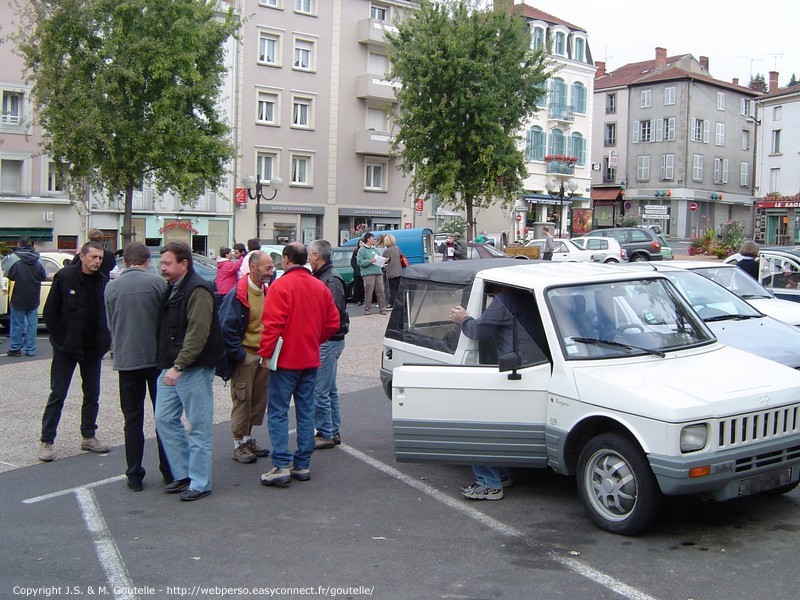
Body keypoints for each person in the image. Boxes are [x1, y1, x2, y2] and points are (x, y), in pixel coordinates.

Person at [449, 285, 545, 501]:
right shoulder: (530, 298)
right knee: (501, 423)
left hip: (515, 371)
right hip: (536, 369)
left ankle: (488, 483)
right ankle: (501, 475)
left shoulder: (504, 300)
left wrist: (463, 318)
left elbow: (478, 331)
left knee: (478, 426)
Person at [258, 242, 340, 486]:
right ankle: (302, 463)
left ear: (285, 259)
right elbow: (333, 322)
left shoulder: (280, 286)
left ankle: (281, 464)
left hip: (285, 360)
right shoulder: (319, 286)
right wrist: (315, 339)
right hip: (309, 357)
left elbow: (271, 325)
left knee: (278, 412)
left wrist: (266, 353)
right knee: (306, 411)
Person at [154, 241, 224, 502]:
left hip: (191, 368)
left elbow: (198, 333)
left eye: (167, 263)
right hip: (172, 366)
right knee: (163, 418)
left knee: (199, 427)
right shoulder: (173, 288)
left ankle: (200, 482)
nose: (163, 268)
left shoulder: (198, 290)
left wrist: (179, 365)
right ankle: (184, 473)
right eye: (162, 263)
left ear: (184, 264)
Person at [104, 242, 173, 492]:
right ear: (147, 261)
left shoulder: (111, 287)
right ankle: (168, 470)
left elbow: (111, 323)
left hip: (126, 359)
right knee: (163, 417)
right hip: (155, 359)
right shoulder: (157, 284)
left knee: (132, 419)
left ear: (125, 262)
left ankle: (134, 473)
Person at [38, 241, 112, 463]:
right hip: (66, 349)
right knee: (57, 394)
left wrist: (104, 341)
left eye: (100, 258)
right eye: (93, 257)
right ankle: (47, 441)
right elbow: (50, 312)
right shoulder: (65, 277)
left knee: (92, 394)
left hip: (92, 349)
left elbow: (103, 314)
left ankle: (88, 436)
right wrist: (60, 340)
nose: (97, 261)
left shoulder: (101, 281)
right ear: (82, 256)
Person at [218, 251, 275, 464]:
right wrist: (240, 355)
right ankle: (238, 443)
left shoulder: (264, 291)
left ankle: (248, 439)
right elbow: (226, 328)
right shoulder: (237, 294)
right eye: (267, 268)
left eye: (271, 267)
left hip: (261, 356)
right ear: (253, 268)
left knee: (257, 401)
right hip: (246, 357)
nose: (271, 271)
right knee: (242, 401)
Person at [308, 240, 350, 450]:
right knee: (328, 388)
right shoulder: (327, 277)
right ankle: (332, 430)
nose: (308, 257)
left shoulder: (330, 279)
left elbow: (333, 314)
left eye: (310, 254)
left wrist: (319, 333)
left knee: (320, 390)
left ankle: (325, 432)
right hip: (331, 340)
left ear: (317, 256)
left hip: (329, 340)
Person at [6, 235, 47, 357]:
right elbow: (44, 275)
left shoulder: (14, 258)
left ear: (19, 244)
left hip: (18, 294)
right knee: (32, 324)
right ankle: (31, 349)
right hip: (34, 295)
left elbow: (8, 273)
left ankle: (15, 348)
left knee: (17, 323)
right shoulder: (38, 258)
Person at [357, 232, 387, 315]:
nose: (374, 240)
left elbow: (378, 259)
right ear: (368, 239)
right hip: (368, 274)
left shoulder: (375, 250)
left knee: (381, 291)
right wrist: (370, 261)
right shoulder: (362, 250)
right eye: (373, 238)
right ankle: (367, 309)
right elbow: (359, 262)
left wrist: (383, 261)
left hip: (378, 272)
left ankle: (383, 308)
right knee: (369, 292)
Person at [382, 234, 402, 308]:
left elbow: (384, 261)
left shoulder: (387, 251)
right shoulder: (397, 248)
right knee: (398, 288)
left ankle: (392, 303)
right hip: (399, 271)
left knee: (392, 289)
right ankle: (399, 302)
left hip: (391, 272)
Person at [350, 239, 365, 305]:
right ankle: (357, 300)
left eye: (362, 243)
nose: (361, 244)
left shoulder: (365, 251)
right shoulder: (355, 251)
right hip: (356, 272)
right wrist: (355, 267)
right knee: (356, 286)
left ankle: (362, 299)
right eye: (360, 243)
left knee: (362, 286)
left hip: (363, 272)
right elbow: (352, 261)